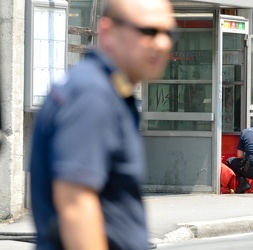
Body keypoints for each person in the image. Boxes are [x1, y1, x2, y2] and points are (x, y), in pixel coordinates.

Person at [29, 0, 176, 249]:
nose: (162, 43)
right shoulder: (93, 95)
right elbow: (76, 206)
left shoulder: (104, 90)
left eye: (168, 33)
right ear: (108, 31)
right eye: (148, 31)